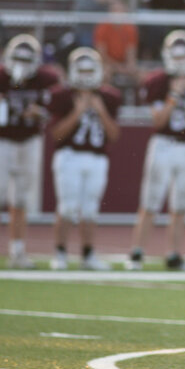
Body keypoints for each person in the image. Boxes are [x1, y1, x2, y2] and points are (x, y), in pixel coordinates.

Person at [127, 30, 185, 270]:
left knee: (181, 205)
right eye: (175, 57)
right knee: (151, 201)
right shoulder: (158, 81)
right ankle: (137, 252)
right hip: (164, 144)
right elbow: (158, 121)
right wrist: (174, 95)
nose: (179, 62)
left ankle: (174, 253)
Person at [47, 48, 121, 270]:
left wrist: (100, 111)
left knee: (90, 209)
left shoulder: (108, 97)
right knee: (67, 207)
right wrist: (77, 112)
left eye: (91, 70)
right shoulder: (62, 95)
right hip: (69, 156)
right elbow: (56, 134)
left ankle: (88, 254)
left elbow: (114, 135)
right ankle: (60, 253)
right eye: (83, 70)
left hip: (97, 158)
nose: (87, 75)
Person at [0, 34, 60, 269]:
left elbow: (54, 111)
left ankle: (17, 250)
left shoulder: (46, 79)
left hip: (29, 141)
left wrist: (39, 113)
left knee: (20, 199)